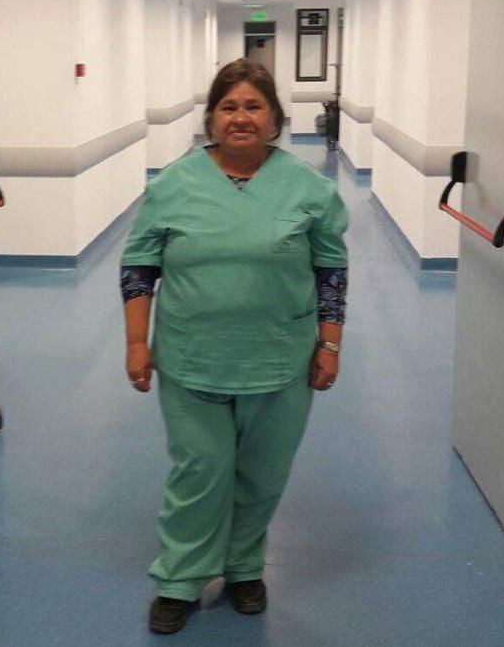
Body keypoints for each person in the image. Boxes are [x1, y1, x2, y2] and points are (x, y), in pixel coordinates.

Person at [120, 58, 348, 635]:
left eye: (253, 106)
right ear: (211, 118)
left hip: (280, 356)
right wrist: (136, 342)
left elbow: (331, 269)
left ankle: (244, 567)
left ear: (274, 118)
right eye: (228, 106)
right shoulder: (172, 185)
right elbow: (140, 266)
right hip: (191, 356)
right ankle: (179, 578)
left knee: (262, 473)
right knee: (200, 470)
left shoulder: (309, 189)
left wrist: (330, 343)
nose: (240, 117)